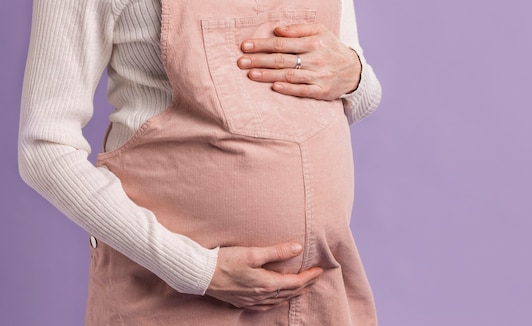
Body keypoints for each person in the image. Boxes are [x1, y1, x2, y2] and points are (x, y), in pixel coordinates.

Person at [18, 0, 382, 324]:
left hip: (319, 297)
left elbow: (352, 97)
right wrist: (196, 270)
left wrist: (355, 74)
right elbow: (43, 149)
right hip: (174, 301)